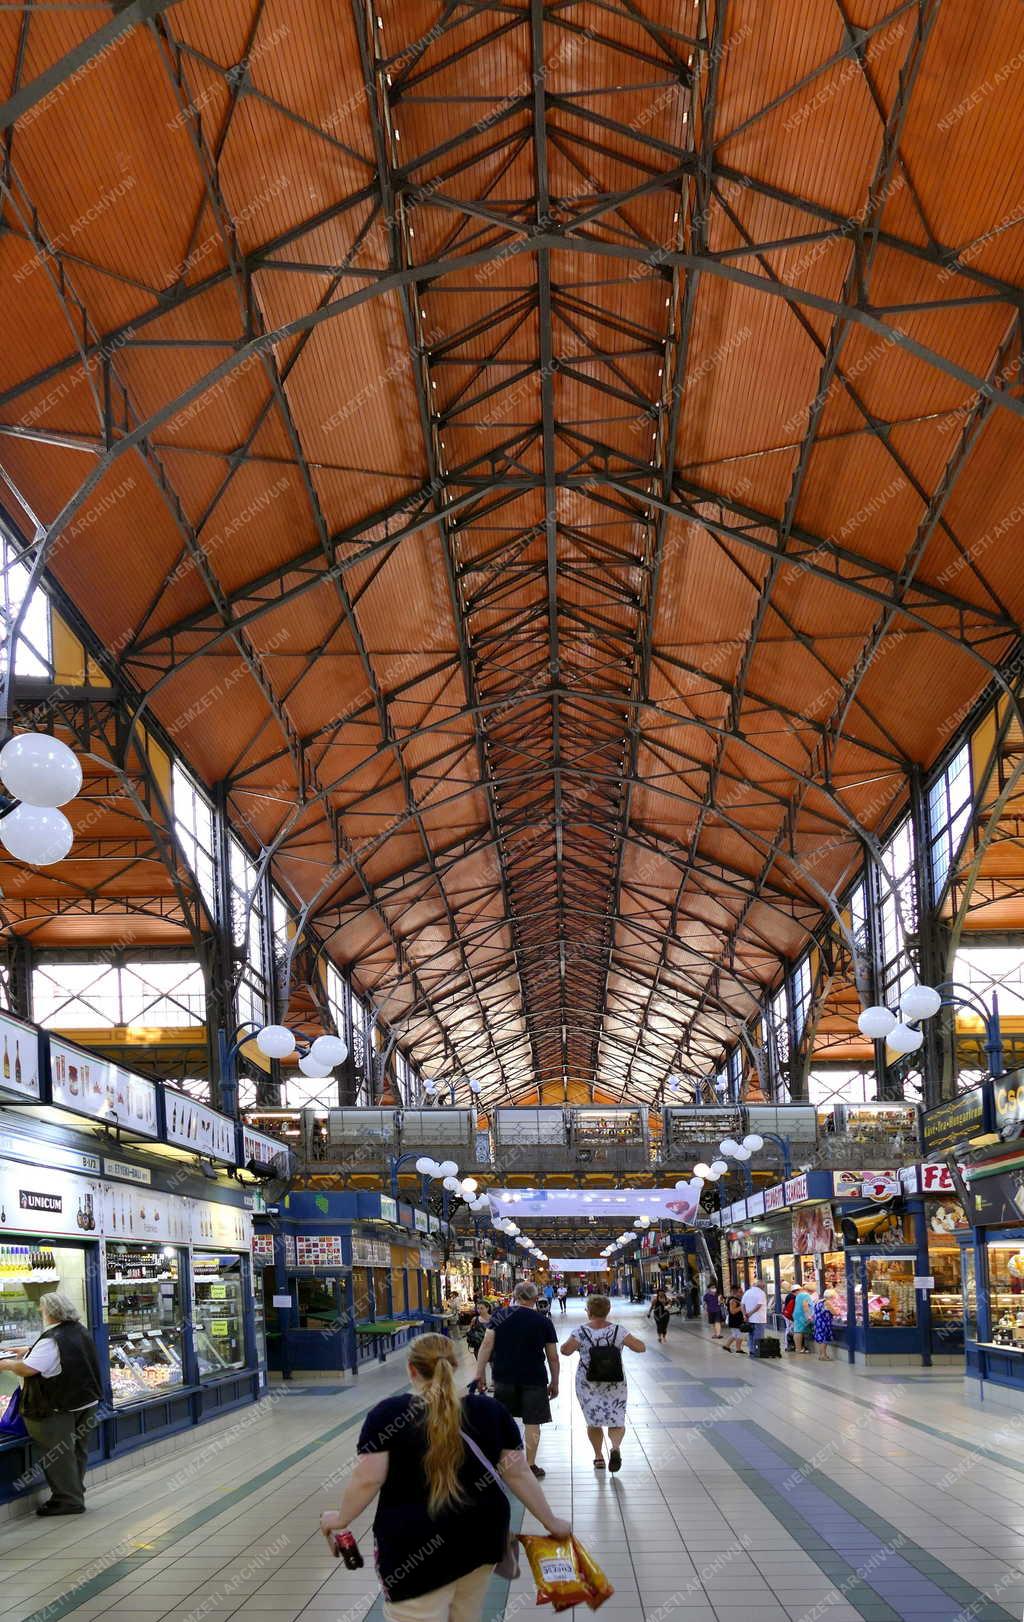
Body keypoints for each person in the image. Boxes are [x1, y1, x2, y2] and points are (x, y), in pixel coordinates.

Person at [320, 1333, 570, 1621]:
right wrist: (551, 1522)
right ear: (453, 1365)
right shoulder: (489, 1410)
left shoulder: (389, 1415)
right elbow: (518, 1473)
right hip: (480, 1538)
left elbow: (368, 1479)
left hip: (412, 1547)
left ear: (412, 1370)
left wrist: (340, 1519)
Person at [0, 1291, 102, 1515]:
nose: (40, 1312)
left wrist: (8, 1364)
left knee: (58, 1453)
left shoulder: (52, 1339)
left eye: (43, 1309)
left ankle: (68, 1500)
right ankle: (75, 1490)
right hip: (86, 1401)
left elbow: (29, 1369)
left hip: (57, 1406)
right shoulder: (79, 1330)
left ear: (52, 1312)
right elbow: (62, 1355)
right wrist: (28, 1351)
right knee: (77, 1450)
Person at [473, 1281, 559, 1477]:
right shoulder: (543, 1321)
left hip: (504, 1376)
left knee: (503, 1419)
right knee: (533, 1421)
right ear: (535, 1299)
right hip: (535, 1378)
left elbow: (486, 1345)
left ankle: (502, 1463)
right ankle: (530, 1465)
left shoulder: (499, 1316)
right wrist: (555, 1381)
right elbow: (553, 1356)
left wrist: (479, 1374)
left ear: (514, 1295)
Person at [561, 1295, 645, 1472]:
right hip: (615, 1382)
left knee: (593, 1421)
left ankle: (599, 1456)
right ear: (608, 1311)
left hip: (588, 1383)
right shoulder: (618, 1331)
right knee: (616, 1418)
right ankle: (614, 1447)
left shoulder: (580, 1332)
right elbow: (640, 1348)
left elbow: (566, 1351)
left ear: (588, 1311)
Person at [740, 1275, 768, 1356]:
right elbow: (759, 1305)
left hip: (749, 1319)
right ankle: (757, 1351)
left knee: (751, 1335)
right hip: (759, 1319)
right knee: (758, 1336)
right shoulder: (761, 1293)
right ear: (762, 1286)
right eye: (764, 1286)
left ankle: (751, 1350)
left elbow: (742, 1304)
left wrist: (744, 1315)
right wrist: (750, 1313)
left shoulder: (747, 1292)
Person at [792, 1283, 815, 1353]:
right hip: (802, 1315)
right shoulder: (806, 1295)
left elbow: (796, 1305)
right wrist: (808, 1316)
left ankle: (798, 1348)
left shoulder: (799, 1295)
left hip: (797, 1314)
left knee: (797, 1330)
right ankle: (799, 1349)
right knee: (799, 1331)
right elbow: (805, 1305)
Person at [813, 1293, 834, 1361]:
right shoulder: (827, 1302)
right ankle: (823, 1355)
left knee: (820, 1339)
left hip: (818, 1322)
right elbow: (834, 1312)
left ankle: (821, 1354)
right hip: (824, 1322)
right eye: (833, 1297)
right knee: (824, 1339)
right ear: (830, 1297)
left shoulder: (818, 1301)